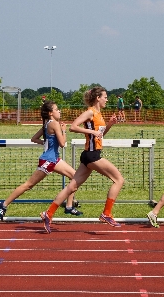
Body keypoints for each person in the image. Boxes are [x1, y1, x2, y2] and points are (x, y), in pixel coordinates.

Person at [39, 86, 123, 233]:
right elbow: (73, 127)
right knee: (118, 180)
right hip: (92, 155)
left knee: (72, 187)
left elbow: (99, 135)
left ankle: (48, 213)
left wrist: (110, 124)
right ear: (98, 98)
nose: (107, 99)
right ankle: (107, 213)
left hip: (89, 154)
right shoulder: (90, 112)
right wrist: (91, 131)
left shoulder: (98, 114)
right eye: (105, 97)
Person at [0, 100, 82, 221]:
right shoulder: (54, 124)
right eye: (57, 109)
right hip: (48, 160)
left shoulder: (47, 124)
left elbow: (34, 139)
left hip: (55, 159)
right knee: (28, 185)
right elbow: (63, 143)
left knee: (75, 177)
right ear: (50, 113)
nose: (59, 111)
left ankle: (69, 206)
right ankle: (4, 204)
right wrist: (64, 130)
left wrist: (45, 142)